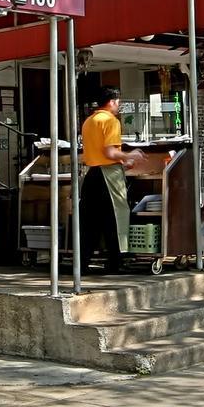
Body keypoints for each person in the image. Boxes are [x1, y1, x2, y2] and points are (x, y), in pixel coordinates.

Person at [79, 87, 139, 274]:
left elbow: (99, 151)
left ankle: (82, 263)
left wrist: (123, 160)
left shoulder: (89, 121)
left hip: (91, 174)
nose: (118, 105)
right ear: (112, 101)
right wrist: (130, 155)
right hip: (109, 175)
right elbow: (109, 152)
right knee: (115, 217)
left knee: (90, 221)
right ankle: (115, 262)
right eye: (118, 102)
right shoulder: (111, 121)